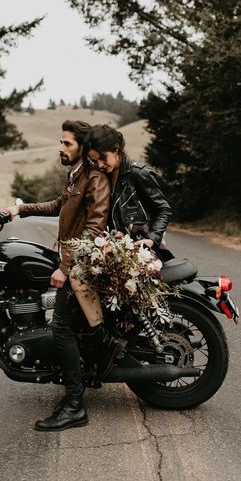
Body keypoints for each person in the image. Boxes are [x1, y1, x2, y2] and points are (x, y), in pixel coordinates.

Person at [3, 120, 124, 432]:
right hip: (73, 258)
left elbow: (95, 227)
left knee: (61, 328)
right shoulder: (77, 176)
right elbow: (61, 205)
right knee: (64, 325)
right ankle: (95, 357)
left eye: (67, 143)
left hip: (80, 264)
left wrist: (66, 267)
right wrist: (22, 210)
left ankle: (74, 405)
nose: (61, 148)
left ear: (82, 147)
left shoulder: (94, 178)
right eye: (60, 142)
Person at [69, 123, 173, 328]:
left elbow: (164, 209)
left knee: (80, 278)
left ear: (116, 150)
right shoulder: (104, 177)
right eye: (94, 160)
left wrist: (152, 239)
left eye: (102, 157)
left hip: (140, 251)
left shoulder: (138, 173)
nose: (99, 164)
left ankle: (102, 335)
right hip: (115, 249)